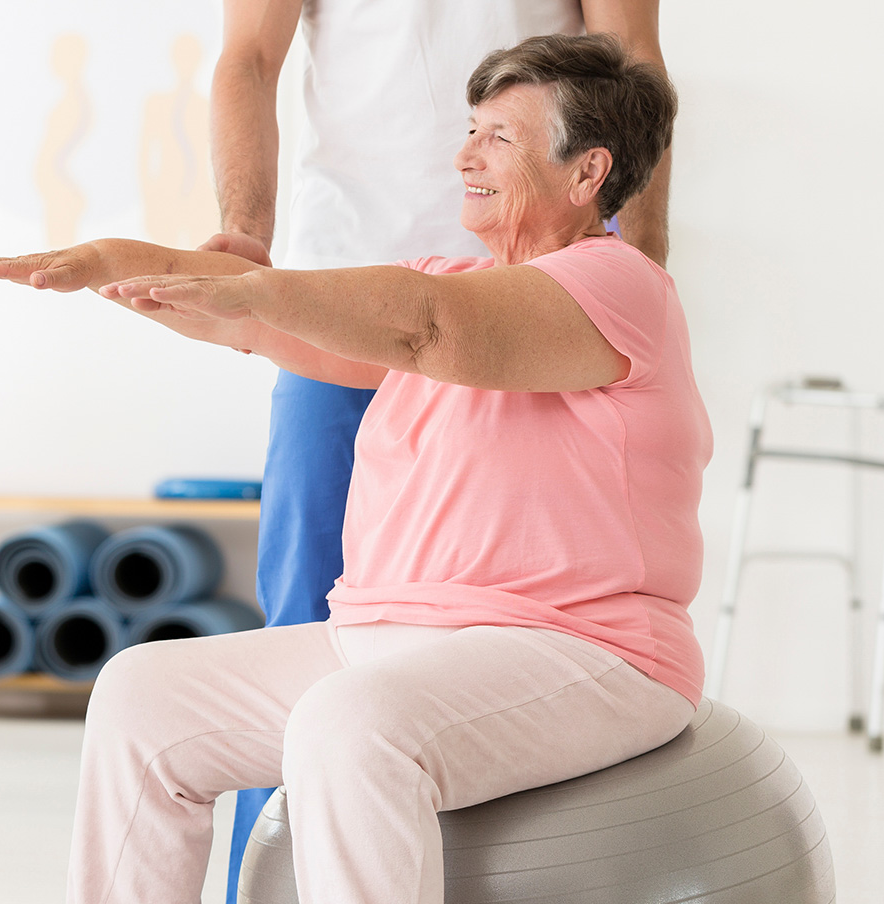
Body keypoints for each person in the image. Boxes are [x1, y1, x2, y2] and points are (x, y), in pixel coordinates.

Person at [0, 34, 707, 904]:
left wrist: (258, 292)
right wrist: (110, 262)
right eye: (470, 129)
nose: (465, 153)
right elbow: (261, 325)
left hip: (582, 651)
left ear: (588, 173)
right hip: (387, 643)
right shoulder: (444, 277)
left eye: (499, 136)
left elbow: (429, 327)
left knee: (350, 722)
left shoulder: (621, 285)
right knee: (140, 697)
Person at [202, 1, 670, 892]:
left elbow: (631, 61)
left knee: (530, 622)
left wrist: (635, 276)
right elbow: (247, 59)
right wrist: (249, 243)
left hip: (530, 296)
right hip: (346, 285)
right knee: (305, 621)